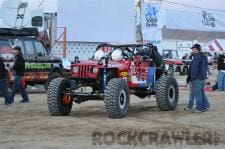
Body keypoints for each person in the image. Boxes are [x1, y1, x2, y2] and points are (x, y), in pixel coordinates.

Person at [185, 44, 209, 113]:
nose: (192, 50)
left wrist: (192, 78)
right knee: (201, 93)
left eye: (193, 48)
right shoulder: (204, 57)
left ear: (196, 49)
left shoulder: (197, 57)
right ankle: (203, 107)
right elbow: (205, 68)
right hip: (202, 77)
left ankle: (199, 108)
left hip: (196, 78)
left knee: (198, 94)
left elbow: (194, 69)